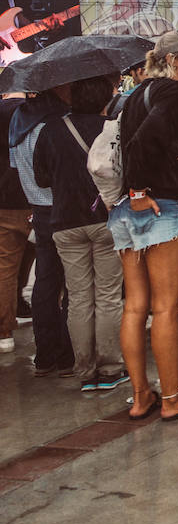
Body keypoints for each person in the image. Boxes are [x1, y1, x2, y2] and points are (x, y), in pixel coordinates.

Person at [111, 29, 178, 420]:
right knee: (165, 307)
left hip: (124, 209)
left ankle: (142, 396)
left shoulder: (136, 93)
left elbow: (138, 143)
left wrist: (135, 191)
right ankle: (174, 397)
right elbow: (144, 141)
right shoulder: (172, 93)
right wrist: (143, 189)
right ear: (173, 59)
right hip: (157, 208)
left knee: (135, 306)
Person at [33, 74, 126, 391]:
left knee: (78, 298)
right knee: (108, 296)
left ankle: (84, 370)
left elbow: (41, 178)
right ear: (104, 97)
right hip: (106, 221)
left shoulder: (51, 130)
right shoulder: (111, 129)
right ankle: (111, 368)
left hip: (63, 223)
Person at [9, 86, 74, 376]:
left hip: (38, 209)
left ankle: (46, 355)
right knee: (75, 283)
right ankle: (68, 352)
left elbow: (16, 166)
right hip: (62, 208)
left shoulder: (18, 123)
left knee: (45, 283)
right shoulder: (52, 125)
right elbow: (57, 172)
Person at [0, 91, 29, 354]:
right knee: (49, 266)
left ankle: (4, 332)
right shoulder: (32, 112)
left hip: (5, 200)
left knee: (6, 266)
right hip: (35, 198)